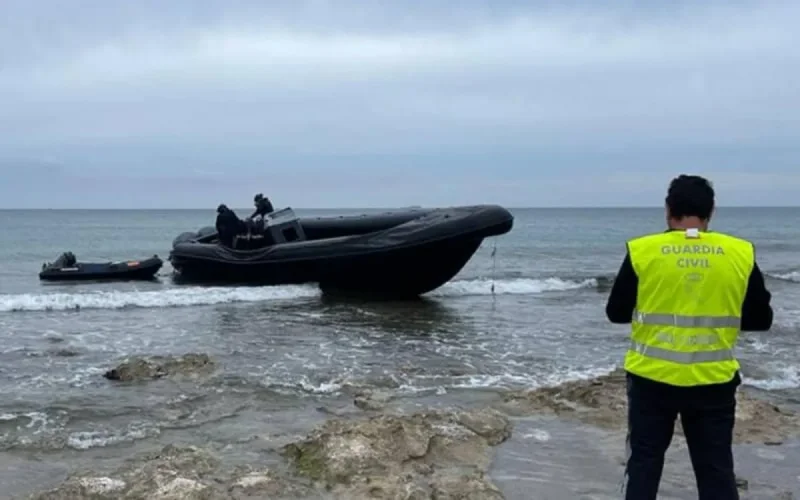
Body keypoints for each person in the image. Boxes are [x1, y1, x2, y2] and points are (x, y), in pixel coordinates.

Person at [605, 174, 773, 500]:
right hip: (713, 380)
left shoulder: (643, 251)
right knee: (715, 471)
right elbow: (760, 320)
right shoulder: (739, 252)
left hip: (651, 378)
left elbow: (615, 312)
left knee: (643, 465)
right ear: (711, 212)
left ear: (668, 210)